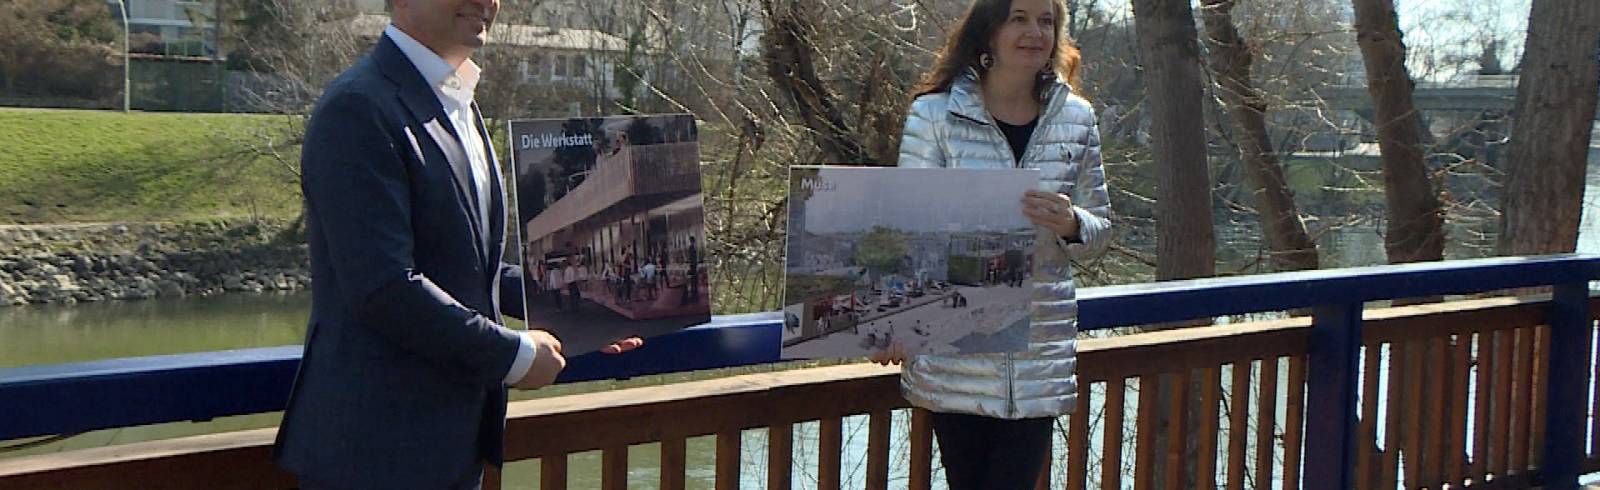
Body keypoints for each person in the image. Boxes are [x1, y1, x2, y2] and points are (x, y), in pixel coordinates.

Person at [274, 1, 643, 487]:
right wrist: (514, 356)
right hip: (373, 454)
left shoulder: (457, 100)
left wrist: (582, 311)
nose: (487, 2)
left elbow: (473, 269)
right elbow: (382, 286)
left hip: (450, 447)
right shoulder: (356, 107)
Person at [871, 0, 1111, 488]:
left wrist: (1071, 224)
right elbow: (905, 230)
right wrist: (887, 321)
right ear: (988, 30)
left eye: (1046, 21)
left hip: (1039, 360)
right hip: (954, 354)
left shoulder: (1078, 119)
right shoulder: (935, 114)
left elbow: (1101, 233)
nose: (1034, 32)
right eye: (1018, 18)